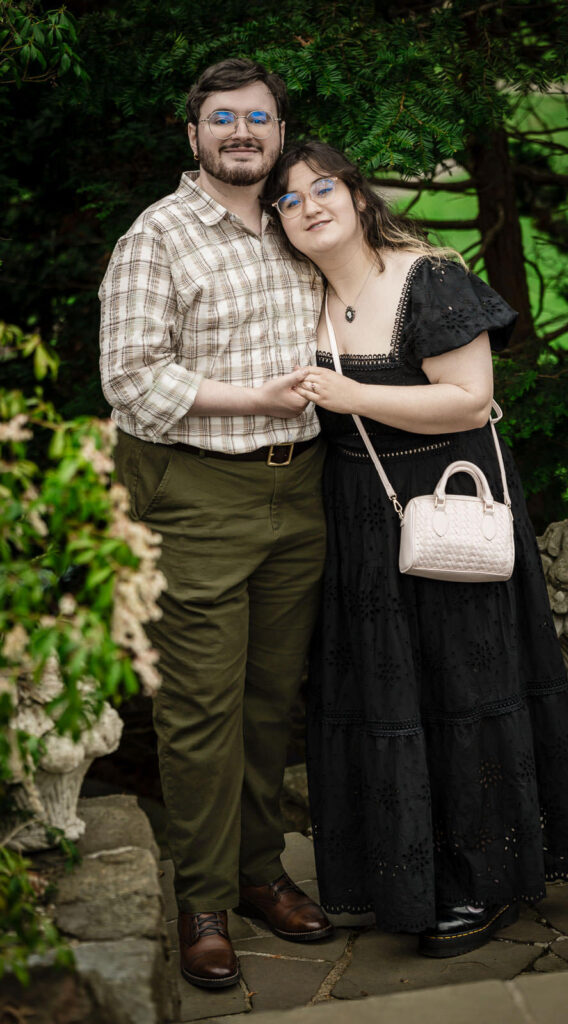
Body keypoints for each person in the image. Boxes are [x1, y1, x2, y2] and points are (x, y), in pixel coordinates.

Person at [263, 141, 568, 957]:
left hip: (445, 497)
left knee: (462, 687)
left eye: (323, 186)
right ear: (278, 223)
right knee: (390, 698)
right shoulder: (296, 297)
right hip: (358, 518)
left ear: (356, 193)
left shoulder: (426, 277)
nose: (309, 205)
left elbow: (470, 401)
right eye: (289, 200)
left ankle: (483, 887)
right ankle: (407, 879)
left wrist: (350, 395)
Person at [99, 62, 334, 991]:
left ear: (280, 132)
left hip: (300, 492)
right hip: (197, 495)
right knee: (201, 713)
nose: (243, 132)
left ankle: (259, 873)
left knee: (272, 700)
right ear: (191, 133)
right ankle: (202, 902)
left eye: (260, 119)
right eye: (223, 118)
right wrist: (255, 397)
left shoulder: (294, 223)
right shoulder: (156, 238)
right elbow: (132, 382)